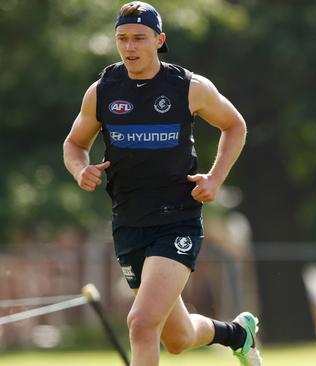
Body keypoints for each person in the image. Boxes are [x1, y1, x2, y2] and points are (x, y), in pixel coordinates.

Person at [63, 2, 261, 365]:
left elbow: (234, 126)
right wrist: (80, 169)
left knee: (140, 323)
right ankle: (237, 333)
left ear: (159, 41)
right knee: (178, 338)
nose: (130, 47)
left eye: (139, 38)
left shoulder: (189, 87)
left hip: (177, 220)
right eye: (122, 39)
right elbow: (74, 143)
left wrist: (216, 178)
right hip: (128, 223)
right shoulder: (102, 91)